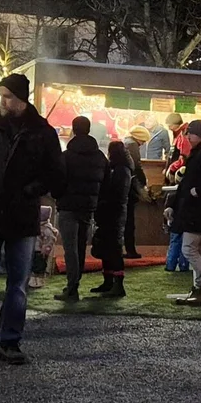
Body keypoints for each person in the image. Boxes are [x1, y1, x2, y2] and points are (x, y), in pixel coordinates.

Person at [0, 73, 64, 364]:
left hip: (20, 215)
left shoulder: (42, 132)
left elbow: (54, 172)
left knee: (18, 283)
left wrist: (30, 191)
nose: (3, 101)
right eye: (1, 96)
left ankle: (9, 342)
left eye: (8, 96)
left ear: (21, 98)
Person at [54, 115, 107, 301]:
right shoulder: (99, 156)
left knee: (70, 248)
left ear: (74, 130)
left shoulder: (66, 156)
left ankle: (72, 287)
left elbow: (57, 180)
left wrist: (58, 196)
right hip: (88, 207)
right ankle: (75, 284)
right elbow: (105, 181)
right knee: (80, 245)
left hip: (68, 206)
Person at [171, 120, 201, 304]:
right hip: (200, 209)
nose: (187, 137)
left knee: (189, 248)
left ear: (197, 134)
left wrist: (198, 190)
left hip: (197, 210)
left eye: (190, 134)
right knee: (198, 249)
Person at [90, 139, 132, 298]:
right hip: (116, 211)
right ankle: (109, 281)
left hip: (112, 212)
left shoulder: (119, 170)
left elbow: (113, 192)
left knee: (113, 248)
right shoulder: (124, 168)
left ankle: (116, 283)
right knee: (109, 247)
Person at [123, 134, 149, 259]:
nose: (143, 144)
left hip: (122, 191)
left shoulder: (126, 144)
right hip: (130, 190)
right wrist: (143, 182)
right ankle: (130, 250)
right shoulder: (132, 146)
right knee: (129, 221)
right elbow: (137, 166)